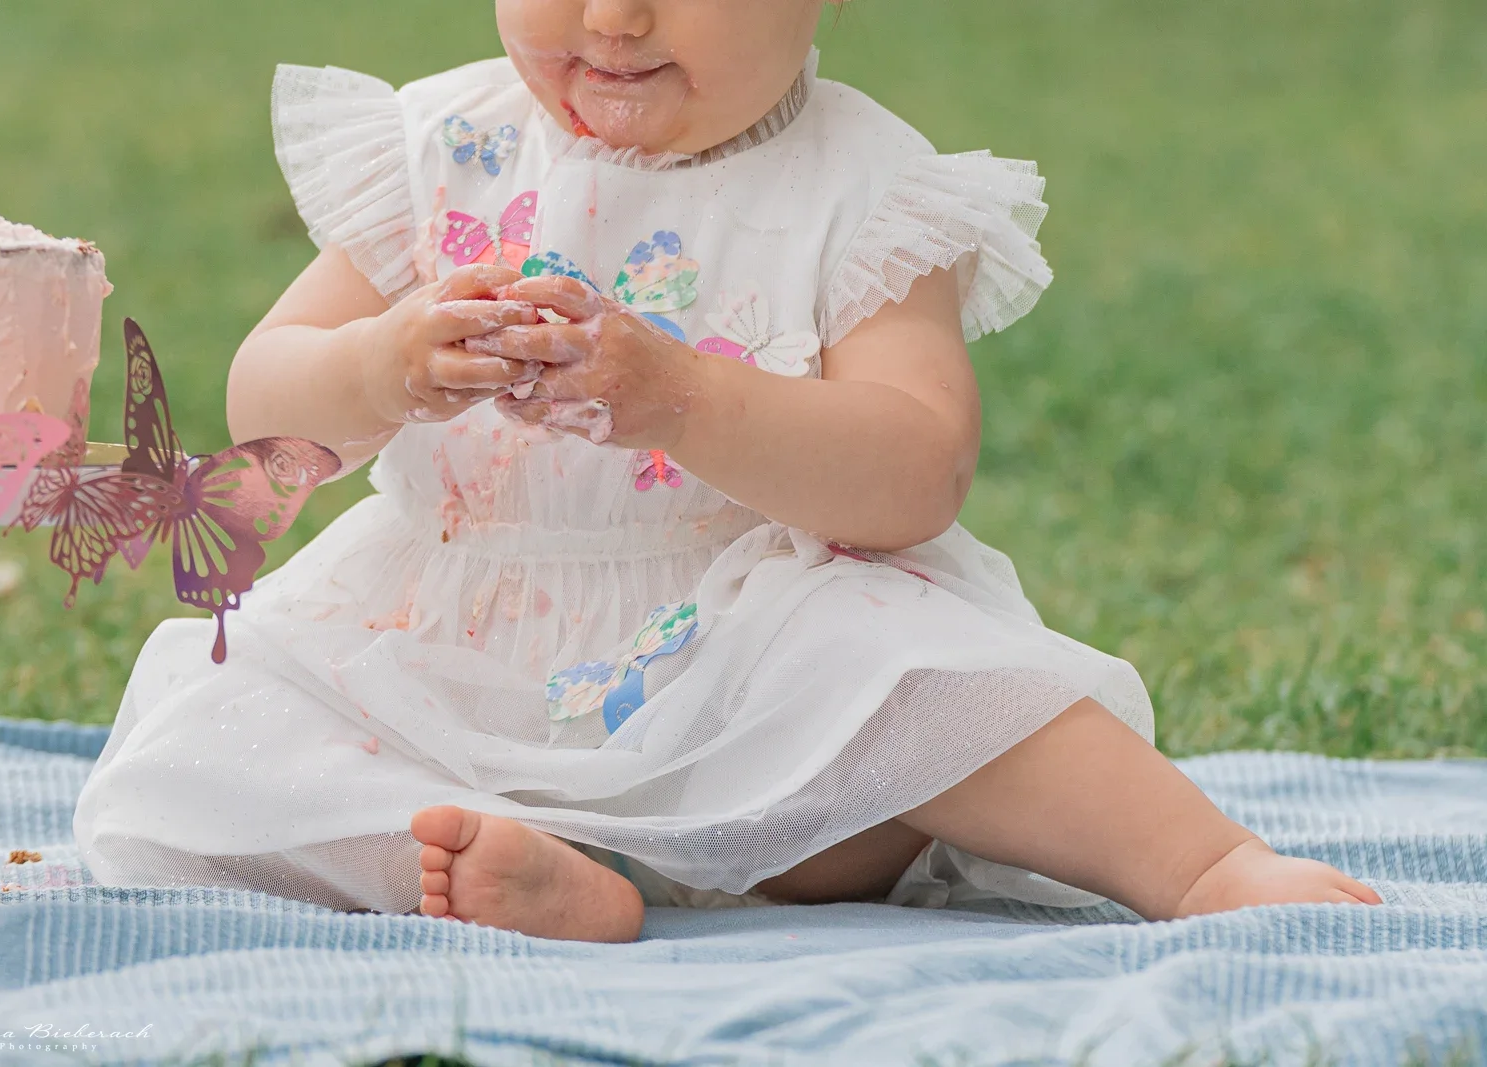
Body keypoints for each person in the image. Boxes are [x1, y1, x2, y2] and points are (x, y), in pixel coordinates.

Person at [74, 0, 1380, 943]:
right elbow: (264, 396)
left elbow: (916, 469)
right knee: (217, 735)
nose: (616, 17)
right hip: (451, 634)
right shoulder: (445, 147)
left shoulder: (865, 191)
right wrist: (381, 365)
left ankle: (1204, 865)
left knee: (936, 679)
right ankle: (549, 873)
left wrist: (691, 399)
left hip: (746, 645)